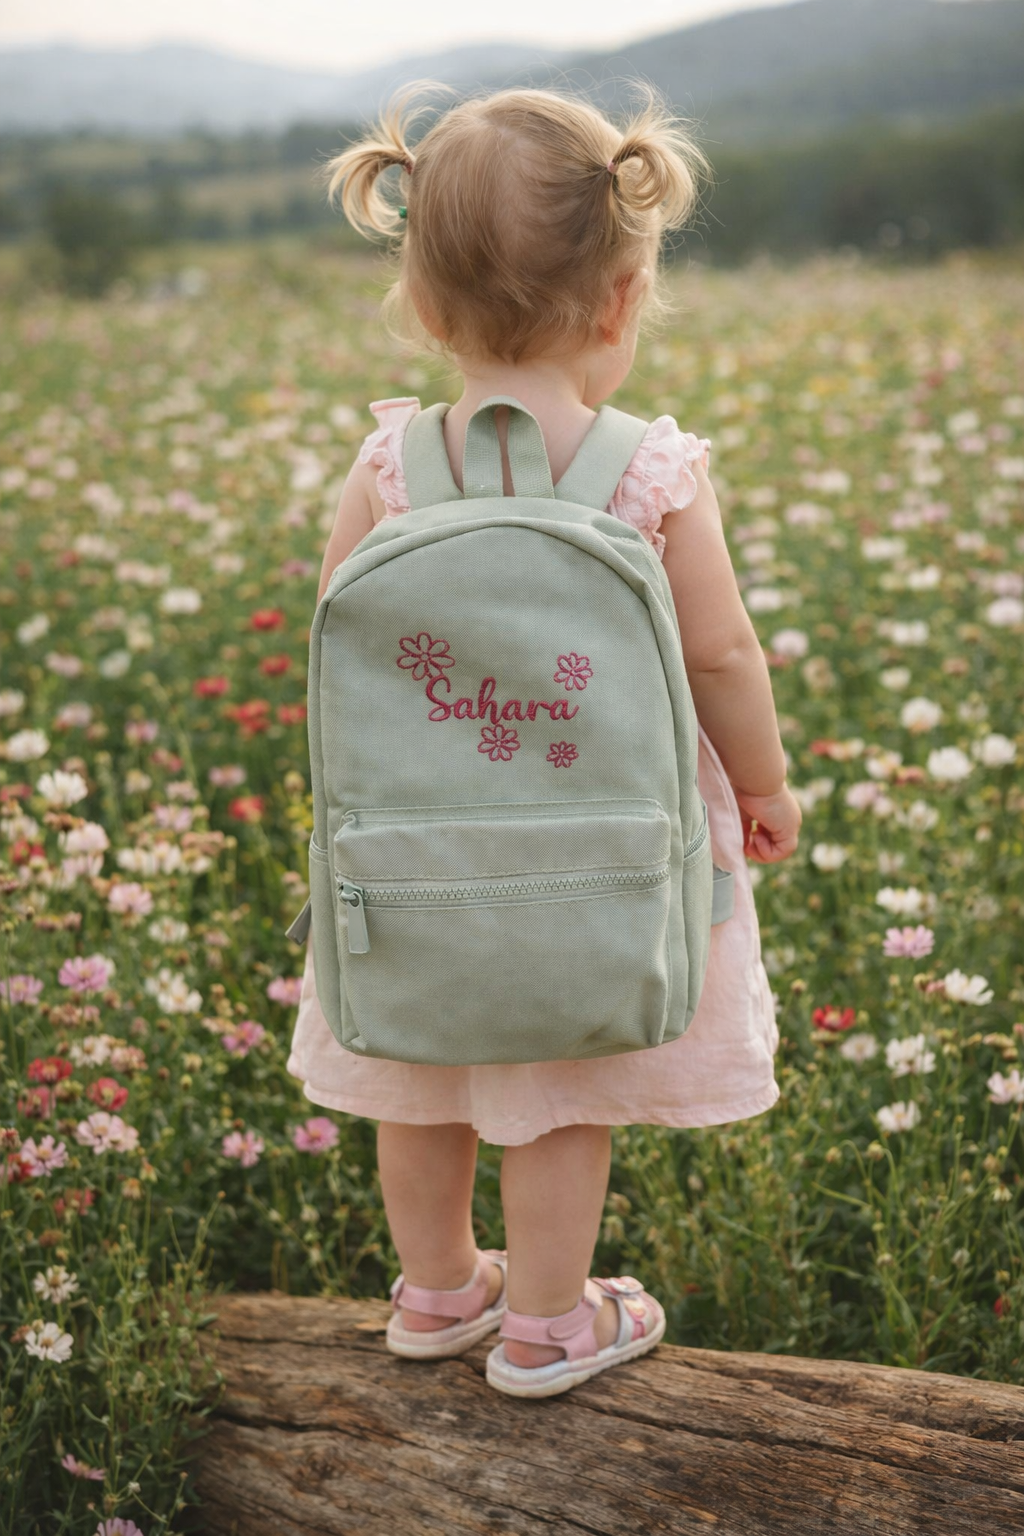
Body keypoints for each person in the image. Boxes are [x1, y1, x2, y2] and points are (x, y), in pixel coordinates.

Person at [286, 85, 803, 1397]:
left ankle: (440, 1290)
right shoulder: (650, 474)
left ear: (420, 301)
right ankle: (552, 1321)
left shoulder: (389, 465)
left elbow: (340, 649)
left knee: (421, 1069)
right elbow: (722, 655)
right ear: (624, 300)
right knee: (563, 1083)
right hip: (602, 851)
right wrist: (765, 782)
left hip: (413, 845)